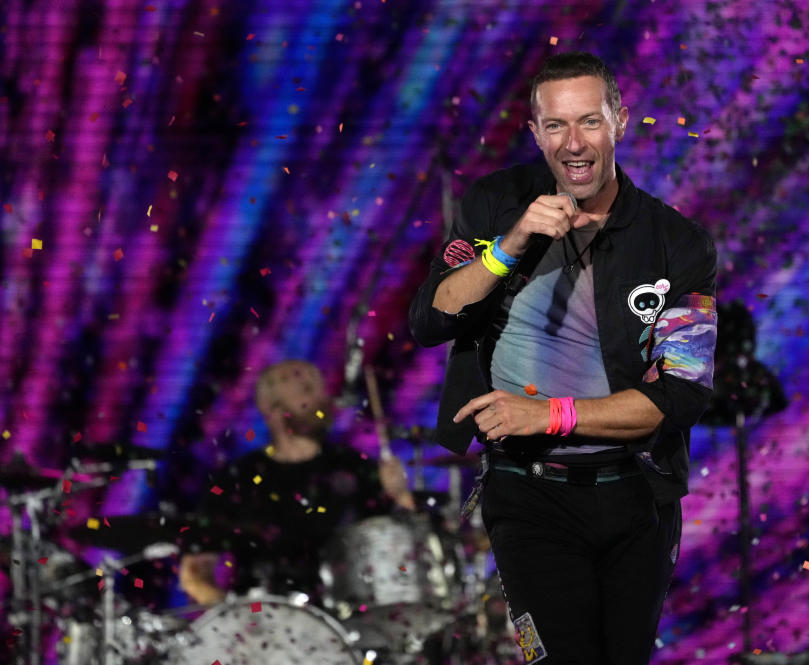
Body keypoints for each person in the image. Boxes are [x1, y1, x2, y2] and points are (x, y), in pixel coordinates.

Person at [408, 52, 718, 664]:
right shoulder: (496, 203)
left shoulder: (677, 243)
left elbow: (683, 394)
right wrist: (510, 245)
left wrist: (550, 414)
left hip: (638, 497)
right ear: (534, 132)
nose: (573, 144)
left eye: (589, 122)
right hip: (527, 498)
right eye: (555, 126)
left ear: (619, 122)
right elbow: (430, 320)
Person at [178, 359, 415, 606]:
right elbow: (195, 572)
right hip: (262, 624)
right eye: (306, 391)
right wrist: (232, 616)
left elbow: (404, 547)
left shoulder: (353, 467)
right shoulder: (237, 479)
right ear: (274, 410)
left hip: (348, 622)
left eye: (320, 390)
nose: (322, 399)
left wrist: (400, 495)